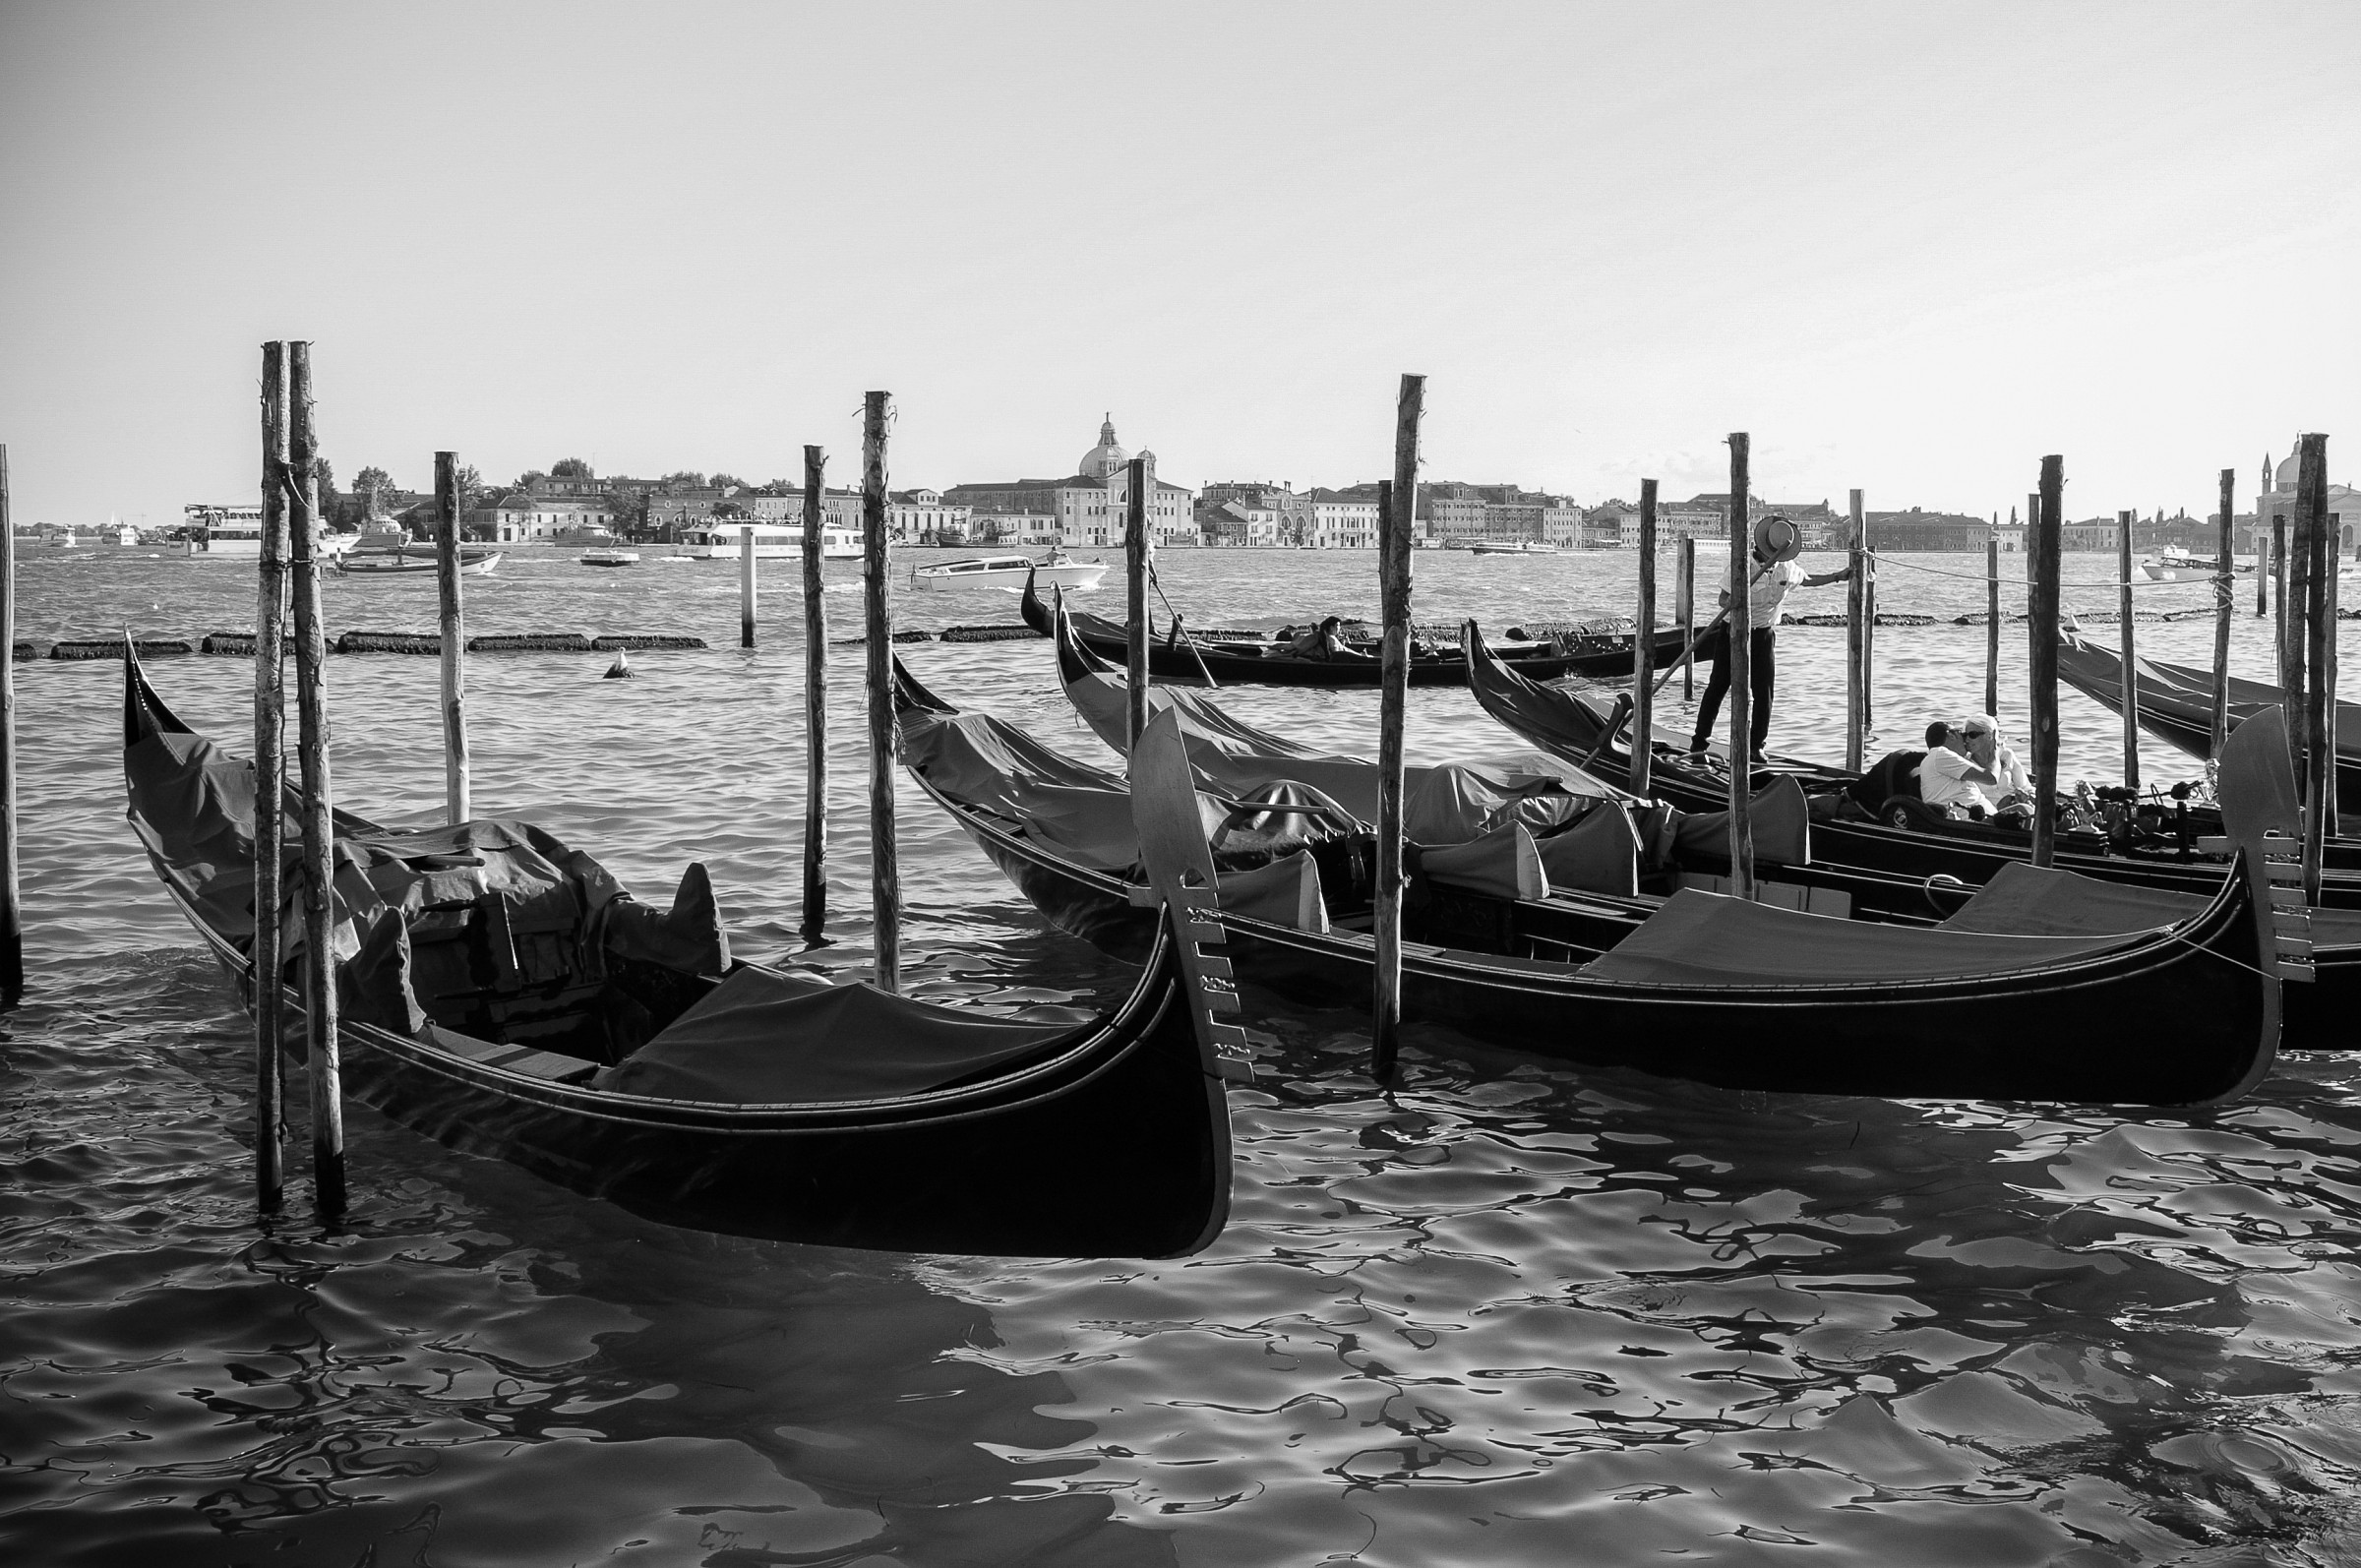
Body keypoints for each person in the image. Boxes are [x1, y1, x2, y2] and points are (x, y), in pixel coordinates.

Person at [1688, 523, 1852, 760]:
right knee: (1718, 687)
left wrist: (1837, 577)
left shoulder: (1786, 567)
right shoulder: (1742, 565)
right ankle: (1699, 744)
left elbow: (1807, 580)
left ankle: (1756, 746)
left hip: (1763, 634)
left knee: (1764, 692)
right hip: (1733, 632)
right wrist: (1735, 602)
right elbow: (1722, 599)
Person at [1917, 718, 2020, 819]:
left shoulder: (1943, 760)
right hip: (1970, 822)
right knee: (2024, 810)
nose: (1965, 740)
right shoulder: (1940, 754)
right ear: (1951, 735)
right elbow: (1991, 778)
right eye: (1962, 734)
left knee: (2024, 810)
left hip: (1985, 817)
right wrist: (1994, 750)